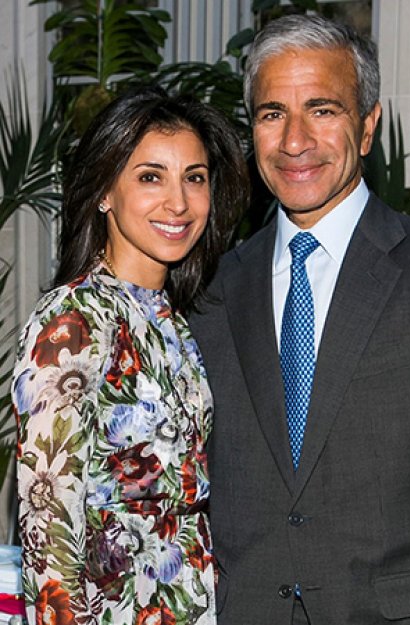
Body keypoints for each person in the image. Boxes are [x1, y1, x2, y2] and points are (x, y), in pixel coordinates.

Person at [190, 14, 410, 625]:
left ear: (368, 125)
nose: (295, 140)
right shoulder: (213, 288)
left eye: (322, 110)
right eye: (273, 114)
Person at [12, 86, 248, 624]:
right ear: (104, 192)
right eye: (150, 177)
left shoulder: (174, 322)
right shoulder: (74, 319)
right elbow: (47, 521)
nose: (179, 202)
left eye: (194, 177)